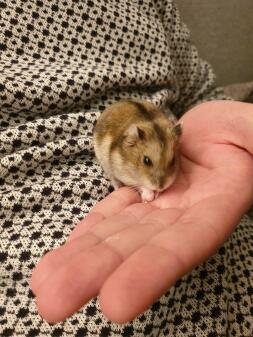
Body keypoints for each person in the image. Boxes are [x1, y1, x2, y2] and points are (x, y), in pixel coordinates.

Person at [0, 1, 252, 337]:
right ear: (132, 147)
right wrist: (129, 183)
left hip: (191, 174)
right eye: (148, 165)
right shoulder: (124, 146)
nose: (162, 181)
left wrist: (217, 117)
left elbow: (199, 90)